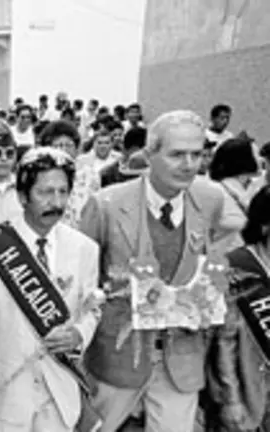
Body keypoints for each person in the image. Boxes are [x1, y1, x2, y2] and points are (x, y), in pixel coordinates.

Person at [80, 110, 226, 431]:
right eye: (176, 154)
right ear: (149, 155)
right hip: (118, 357)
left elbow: (224, 263)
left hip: (181, 357)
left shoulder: (212, 199)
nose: (188, 164)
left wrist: (211, 295)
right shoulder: (105, 205)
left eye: (196, 154)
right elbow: (81, 284)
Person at [0, 147, 102, 431]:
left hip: (61, 391)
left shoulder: (85, 249)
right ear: (22, 196)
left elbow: (92, 310)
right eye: (45, 192)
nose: (56, 202)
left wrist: (79, 334)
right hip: (8, 391)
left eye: (63, 192)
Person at [207, 185, 270, 431]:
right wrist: (230, 399)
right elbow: (224, 341)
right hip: (247, 389)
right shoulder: (236, 268)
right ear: (265, 224)